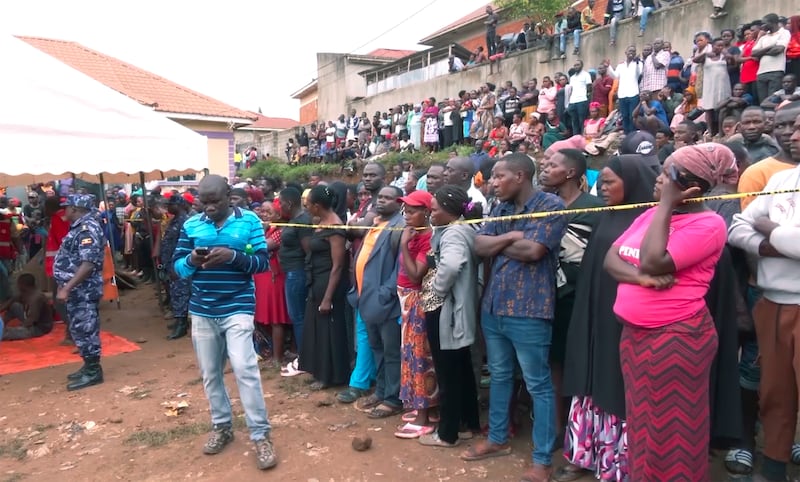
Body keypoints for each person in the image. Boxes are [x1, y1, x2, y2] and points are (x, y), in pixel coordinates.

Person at [604, 145, 731, 480]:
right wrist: (642, 279)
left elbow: (653, 259)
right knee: (644, 424)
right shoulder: (651, 215)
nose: (658, 180)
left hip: (676, 339)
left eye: (667, 175)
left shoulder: (709, 224)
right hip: (636, 337)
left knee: (672, 432)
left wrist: (664, 205)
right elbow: (612, 260)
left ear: (690, 187)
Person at [464, 153, 567, 482]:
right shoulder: (501, 207)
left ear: (520, 175)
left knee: (538, 384)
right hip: (494, 306)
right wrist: (511, 237)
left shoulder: (550, 205)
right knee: (499, 375)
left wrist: (500, 243)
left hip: (530, 309)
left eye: (498, 176)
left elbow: (535, 251)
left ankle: (542, 461)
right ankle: (497, 438)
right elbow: (479, 245)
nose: (492, 183)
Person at [557, 154, 658, 482]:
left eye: (610, 183)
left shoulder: (650, 220)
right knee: (588, 379)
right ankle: (583, 453)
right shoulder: (606, 216)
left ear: (631, 184)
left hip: (626, 319)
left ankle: (617, 463)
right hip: (593, 314)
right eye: (600, 182)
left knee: (616, 385)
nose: (603, 188)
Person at [172, 175, 277, 471]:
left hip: (238, 306)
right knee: (210, 373)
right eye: (203, 202)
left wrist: (233, 256)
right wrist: (192, 261)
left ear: (229, 195)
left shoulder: (250, 221)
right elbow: (177, 268)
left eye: (215, 201)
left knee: (245, 368)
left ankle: (260, 434)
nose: (209, 208)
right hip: (202, 309)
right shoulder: (192, 225)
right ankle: (222, 427)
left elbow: (261, 262)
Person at [728, 115, 800, 482]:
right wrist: (767, 244)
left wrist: (774, 230)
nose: (793, 135)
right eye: (793, 127)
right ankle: (773, 467)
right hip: (772, 300)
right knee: (774, 391)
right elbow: (738, 227)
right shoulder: (780, 180)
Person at [538, 148, 604, 440]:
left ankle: (581, 430)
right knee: (553, 364)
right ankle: (555, 426)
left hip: (579, 296)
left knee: (577, 362)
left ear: (571, 173)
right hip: (544, 295)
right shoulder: (543, 205)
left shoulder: (594, 208)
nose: (544, 167)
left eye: (551, 165)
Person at [418, 185, 482, 448]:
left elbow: (452, 265)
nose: (430, 214)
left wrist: (436, 291)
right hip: (458, 308)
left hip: (447, 310)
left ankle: (447, 433)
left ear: (449, 210)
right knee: (462, 367)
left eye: (434, 209)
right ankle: (468, 423)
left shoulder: (453, 234)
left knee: (448, 372)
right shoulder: (463, 229)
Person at [349, 186, 405, 418]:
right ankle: (381, 391)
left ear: (399, 202)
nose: (381, 201)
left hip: (386, 302)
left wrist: (386, 292)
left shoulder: (399, 227)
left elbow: (400, 266)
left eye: (387, 198)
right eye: (380, 197)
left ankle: (393, 399)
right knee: (377, 349)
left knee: (391, 352)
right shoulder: (376, 223)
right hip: (366, 299)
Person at [394, 190, 438, 439]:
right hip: (407, 299)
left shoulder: (427, 238)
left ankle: (424, 417)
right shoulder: (415, 233)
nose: (407, 215)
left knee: (420, 358)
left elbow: (415, 275)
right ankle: (427, 410)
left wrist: (403, 245)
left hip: (418, 301)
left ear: (426, 212)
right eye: (406, 211)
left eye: (412, 211)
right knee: (411, 355)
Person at [298, 186, 350, 390]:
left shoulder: (335, 228)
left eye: (309, 204)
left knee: (329, 329)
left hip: (329, 282)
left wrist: (328, 297)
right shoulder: (320, 224)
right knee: (317, 328)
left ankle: (331, 375)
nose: (307, 207)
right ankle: (319, 370)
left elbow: (338, 265)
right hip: (316, 280)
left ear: (317, 206)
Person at [54, 194, 105, 392]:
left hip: (83, 290)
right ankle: (88, 365)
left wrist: (67, 287)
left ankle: (93, 371)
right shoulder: (80, 227)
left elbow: (88, 264)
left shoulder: (87, 229)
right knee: (79, 327)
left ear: (75, 209)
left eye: (66, 207)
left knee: (86, 327)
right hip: (77, 289)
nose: (64, 210)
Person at [253, 200, 291, 367]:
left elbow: (262, 246)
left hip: (274, 278)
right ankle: (268, 351)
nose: (264, 214)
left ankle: (278, 357)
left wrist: (261, 230)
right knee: (264, 317)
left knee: (276, 318)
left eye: (269, 211)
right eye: (262, 211)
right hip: (262, 277)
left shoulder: (280, 231)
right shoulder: (268, 228)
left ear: (278, 214)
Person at [161, 194, 192, 340]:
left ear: (178, 205)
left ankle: (182, 324)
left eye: (170, 205)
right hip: (171, 263)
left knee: (181, 292)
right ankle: (180, 320)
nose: (168, 208)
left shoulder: (184, 221)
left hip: (180, 264)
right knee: (175, 292)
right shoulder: (175, 220)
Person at [0, 273, 53, 340]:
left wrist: (19, 329)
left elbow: (32, 319)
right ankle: (2, 325)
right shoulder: (25, 293)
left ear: (22, 285)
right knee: (13, 306)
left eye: (18, 284)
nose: (17, 286)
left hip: (39, 328)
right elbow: (11, 302)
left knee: (5, 334)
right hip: (29, 320)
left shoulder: (36, 298)